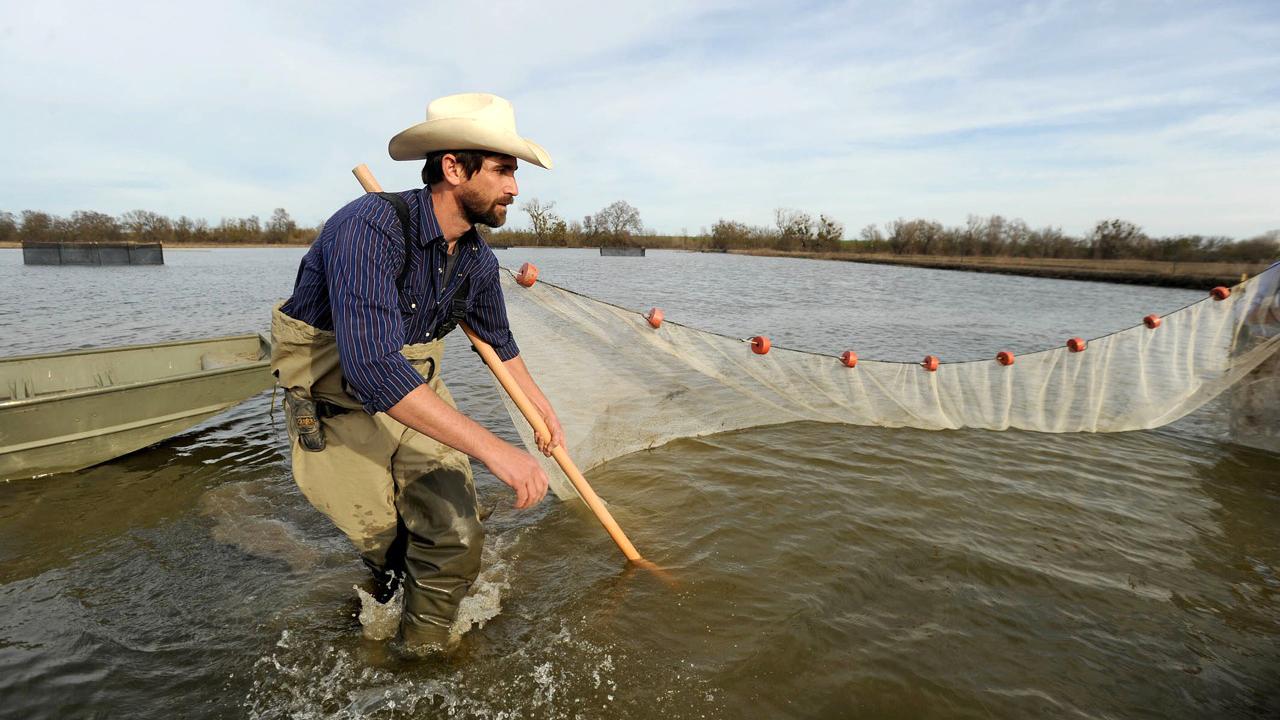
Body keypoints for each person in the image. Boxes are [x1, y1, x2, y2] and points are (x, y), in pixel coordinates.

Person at [270, 93, 564, 649]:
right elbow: (373, 369)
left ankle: (420, 656)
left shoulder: (474, 256)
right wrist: (496, 450)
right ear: (454, 168)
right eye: (503, 170)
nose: (514, 189)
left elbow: (498, 343)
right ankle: (382, 601)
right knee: (389, 548)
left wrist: (543, 414)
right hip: (336, 398)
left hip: (414, 390)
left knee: (454, 534)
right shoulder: (367, 228)